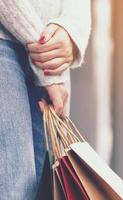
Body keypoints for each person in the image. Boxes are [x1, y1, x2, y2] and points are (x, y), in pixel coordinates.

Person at [0, 0, 91, 199]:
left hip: (55, 54)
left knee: (39, 188)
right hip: (9, 42)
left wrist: (71, 29)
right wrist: (45, 53)